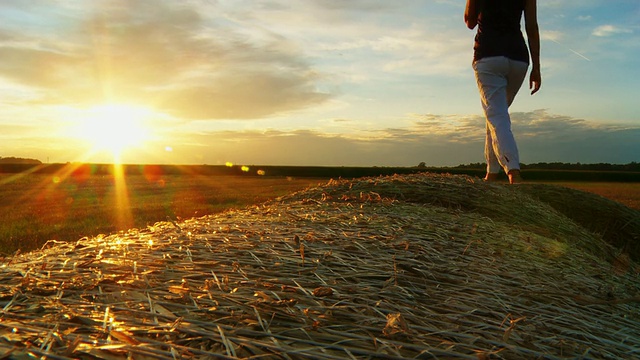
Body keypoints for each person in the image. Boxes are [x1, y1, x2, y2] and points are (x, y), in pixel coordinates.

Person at [464, 0, 541, 184]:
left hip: (488, 56)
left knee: (497, 115)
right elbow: (532, 27)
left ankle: (513, 171)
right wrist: (537, 67)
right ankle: (491, 172)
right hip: (518, 60)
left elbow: (470, 21)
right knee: (496, 114)